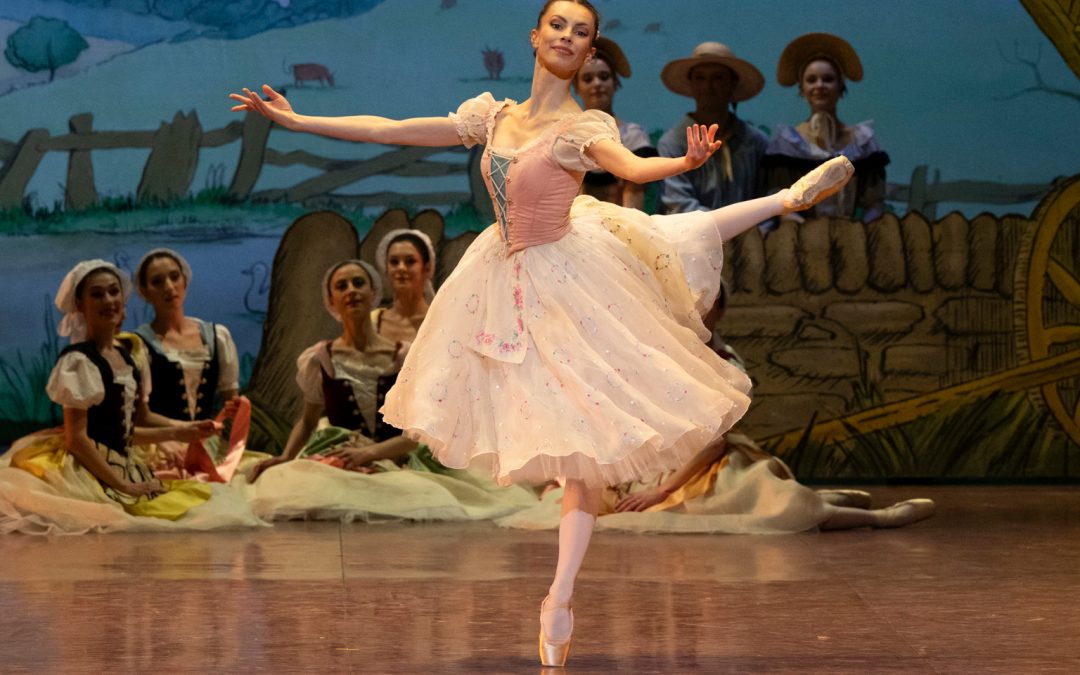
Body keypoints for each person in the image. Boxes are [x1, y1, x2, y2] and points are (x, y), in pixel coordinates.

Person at [230, 0, 852, 665]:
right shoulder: (493, 117)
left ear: (588, 54)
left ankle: (558, 597)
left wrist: (679, 164)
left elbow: (631, 168)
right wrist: (296, 118)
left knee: (664, 251)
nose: (568, 38)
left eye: (582, 34)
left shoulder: (580, 126)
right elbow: (393, 128)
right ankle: (781, 203)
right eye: (558, 25)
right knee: (543, 415)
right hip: (500, 276)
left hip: (566, 273)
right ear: (535, 37)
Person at [0, 261, 261, 534]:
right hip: (88, 469)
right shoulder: (79, 362)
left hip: (123, 461)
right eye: (97, 294)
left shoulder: (126, 357)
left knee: (201, 504)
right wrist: (123, 485)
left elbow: (126, 432)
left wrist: (185, 430)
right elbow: (77, 439)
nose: (108, 300)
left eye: (114, 292)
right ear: (80, 304)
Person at [248, 260, 415, 480]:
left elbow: (415, 433)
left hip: (399, 467)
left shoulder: (404, 357)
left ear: (373, 292)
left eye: (358, 283)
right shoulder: (320, 359)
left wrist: (369, 453)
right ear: (331, 301)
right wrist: (285, 456)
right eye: (342, 286)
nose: (351, 290)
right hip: (343, 469)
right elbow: (308, 422)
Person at [132, 248, 243, 478]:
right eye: (157, 282)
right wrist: (175, 434)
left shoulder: (216, 336)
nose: (169, 287)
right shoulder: (139, 345)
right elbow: (140, 415)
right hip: (161, 445)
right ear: (144, 292)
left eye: (174, 277)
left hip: (208, 444)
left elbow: (231, 403)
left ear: (185, 281)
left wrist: (224, 437)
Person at [764, 32, 889, 222]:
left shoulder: (862, 142)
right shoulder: (788, 144)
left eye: (828, 79)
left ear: (840, 86)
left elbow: (874, 203)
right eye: (811, 80)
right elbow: (779, 201)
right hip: (799, 240)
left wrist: (861, 232)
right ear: (802, 88)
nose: (819, 85)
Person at [657, 41, 769, 214]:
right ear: (691, 84)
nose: (708, 86)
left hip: (750, 234)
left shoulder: (755, 141)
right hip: (691, 236)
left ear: (732, 84)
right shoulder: (673, 142)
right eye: (700, 78)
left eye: (717, 78)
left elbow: (766, 198)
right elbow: (679, 205)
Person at [572, 36, 656, 209]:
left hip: (622, 226)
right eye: (587, 79)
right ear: (577, 88)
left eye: (604, 77)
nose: (597, 84)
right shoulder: (568, 136)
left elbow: (633, 201)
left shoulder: (633, 137)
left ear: (615, 82)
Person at [371, 229, 436, 345]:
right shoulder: (373, 322)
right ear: (386, 268)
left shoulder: (440, 321)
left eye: (410, 261)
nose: (401, 268)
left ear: (426, 268)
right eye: (394, 262)